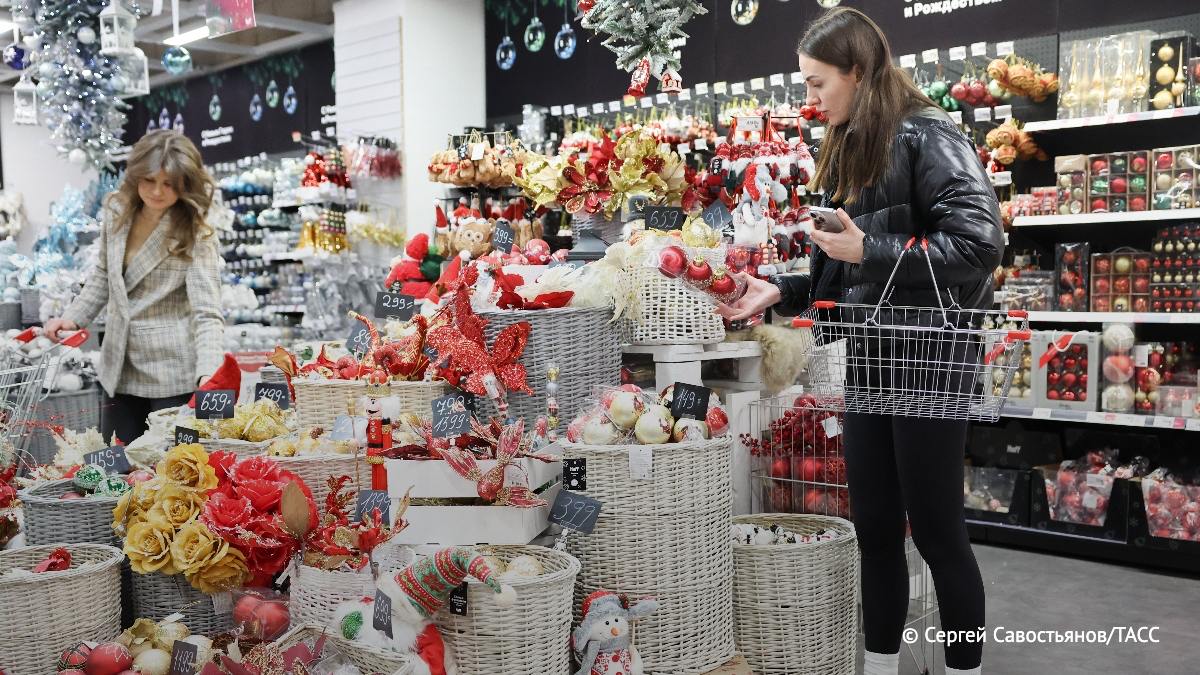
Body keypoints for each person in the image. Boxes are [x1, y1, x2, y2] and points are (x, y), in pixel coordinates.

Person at [719, 8, 1003, 675]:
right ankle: (878, 666)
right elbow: (843, 268)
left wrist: (869, 247)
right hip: (874, 354)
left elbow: (979, 243)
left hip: (932, 354)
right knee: (874, 528)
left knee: (936, 531)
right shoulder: (853, 143)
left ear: (858, 71)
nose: (810, 99)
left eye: (818, 84)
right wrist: (779, 292)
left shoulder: (929, 133)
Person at [45, 130, 224, 446]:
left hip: (172, 375)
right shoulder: (117, 210)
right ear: (135, 175)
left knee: (169, 476)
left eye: (169, 183)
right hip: (117, 368)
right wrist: (72, 318)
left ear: (185, 183)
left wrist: (209, 374)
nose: (156, 191)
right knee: (115, 469)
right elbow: (104, 276)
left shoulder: (194, 230)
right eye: (148, 180)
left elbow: (207, 312)